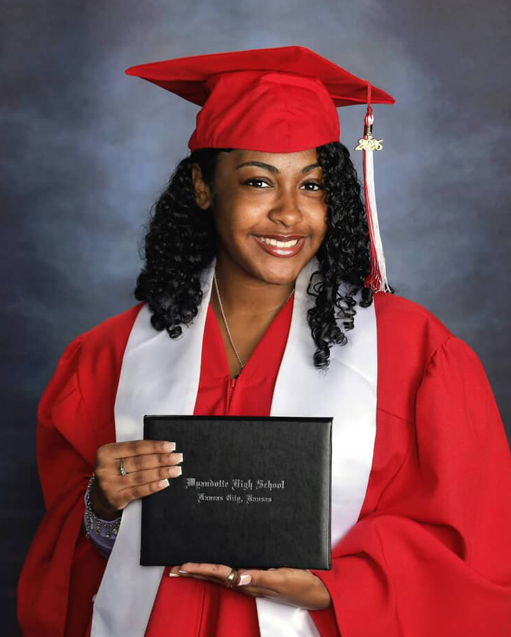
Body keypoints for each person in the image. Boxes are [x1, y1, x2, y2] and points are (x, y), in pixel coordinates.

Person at [18, 46, 511, 637]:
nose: (289, 214)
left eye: (312, 185)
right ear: (203, 187)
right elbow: (68, 564)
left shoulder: (413, 351)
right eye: (258, 182)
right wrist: (100, 508)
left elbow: (476, 549)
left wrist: (334, 588)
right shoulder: (111, 355)